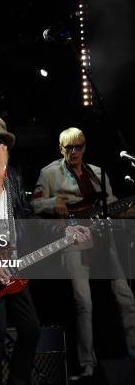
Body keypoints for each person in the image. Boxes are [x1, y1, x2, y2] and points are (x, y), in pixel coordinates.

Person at [0, 115, 89, 385]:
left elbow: (27, 218)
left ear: (5, 146)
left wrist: (63, 231)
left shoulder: (13, 178)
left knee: (30, 330)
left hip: (15, 266)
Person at [31, 127, 135, 380]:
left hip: (103, 242)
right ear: (61, 149)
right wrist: (52, 203)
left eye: (79, 146)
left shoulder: (97, 173)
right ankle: (87, 366)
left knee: (126, 298)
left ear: (85, 147)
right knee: (84, 303)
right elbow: (32, 203)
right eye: (69, 147)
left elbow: (110, 205)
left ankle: (133, 354)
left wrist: (127, 210)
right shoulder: (49, 172)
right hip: (74, 240)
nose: (74, 151)